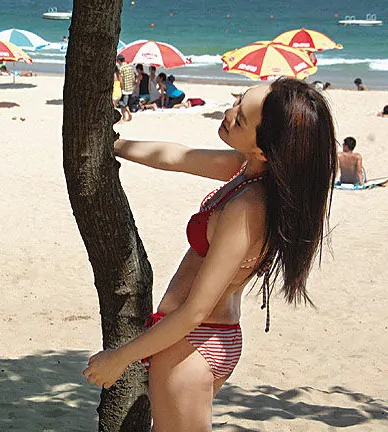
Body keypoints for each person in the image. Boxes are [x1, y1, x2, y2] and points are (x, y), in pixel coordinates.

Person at [83, 78, 338, 431]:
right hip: (206, 337)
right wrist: (115, 145)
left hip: (191, 341)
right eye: (237, 102)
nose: (228, 114)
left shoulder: (248, 208)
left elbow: (196, 310)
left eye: (240, 120)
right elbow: (177, 157)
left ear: (263, 150)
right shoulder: (249, 171)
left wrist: (120, 358)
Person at [117, 54, 135, 122]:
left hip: (124, 89)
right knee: (123, 103)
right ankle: (124, 117)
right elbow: (133, 79)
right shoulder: (130, 68)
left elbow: (121, 80)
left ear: (119, 61)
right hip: (130, 89)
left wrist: (121, 88)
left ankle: (127, 115)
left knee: (122, 103)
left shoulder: (121, 68)